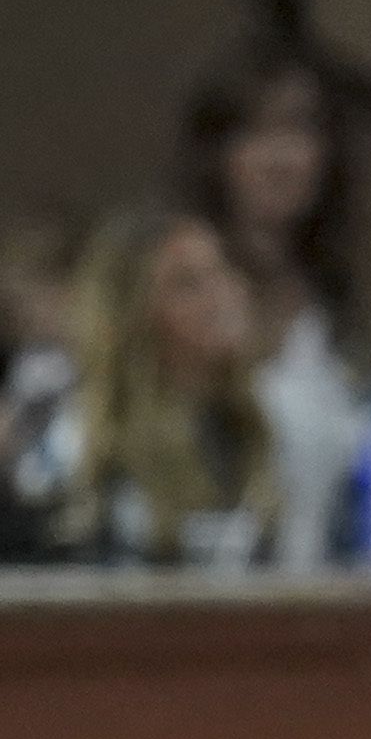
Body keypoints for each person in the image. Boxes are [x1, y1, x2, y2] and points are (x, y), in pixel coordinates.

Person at [180, 44, 371, 570]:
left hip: (326, 608)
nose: (280, 158)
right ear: (217, 154)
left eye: (299, 132)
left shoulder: (338, 308)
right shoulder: (178, 293)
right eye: (256, 134)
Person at [14, 206, 276, 568]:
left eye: (221, 271)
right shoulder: (77, 442)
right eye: (186, 283)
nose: (221, 296)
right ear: (132, 315)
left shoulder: (257, 424)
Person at [0, 210, 81, 560]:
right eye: (14, 300)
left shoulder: (95, 370)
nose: (24, 312)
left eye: (38, 294)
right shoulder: (29, 362)